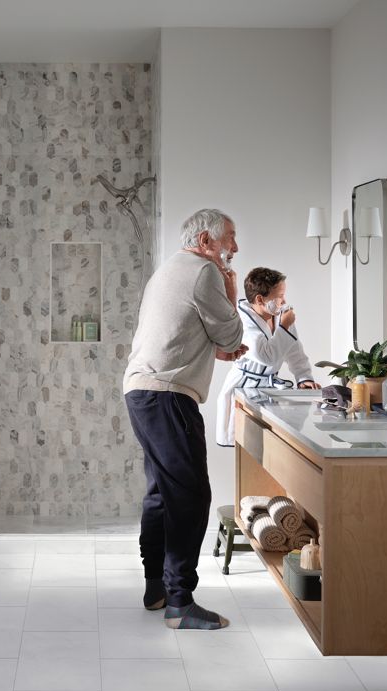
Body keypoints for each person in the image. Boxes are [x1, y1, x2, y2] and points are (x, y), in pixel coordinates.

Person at [123, 208, 248, 630]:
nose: (234, 246)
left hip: (143, 392)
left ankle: (156, 586)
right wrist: (232, 293)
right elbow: (231, 335)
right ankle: (180, 603)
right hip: (169, 398)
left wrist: (217, 346)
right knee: (190, 496)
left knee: (162, 492)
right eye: (229, 237)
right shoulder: (205, 272)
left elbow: (184, 335)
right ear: (206, 241)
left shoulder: (170, 269)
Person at [214, 267, 320, 447]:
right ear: (260, 299)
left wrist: (304, 378)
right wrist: (285, 327)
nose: (284, 300)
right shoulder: (242, 321)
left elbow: (294, 350)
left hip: (269, 390)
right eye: (279, 296)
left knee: (274, 445)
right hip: (244, 388)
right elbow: (266, 357)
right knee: (248, 447)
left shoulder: (279, 315)